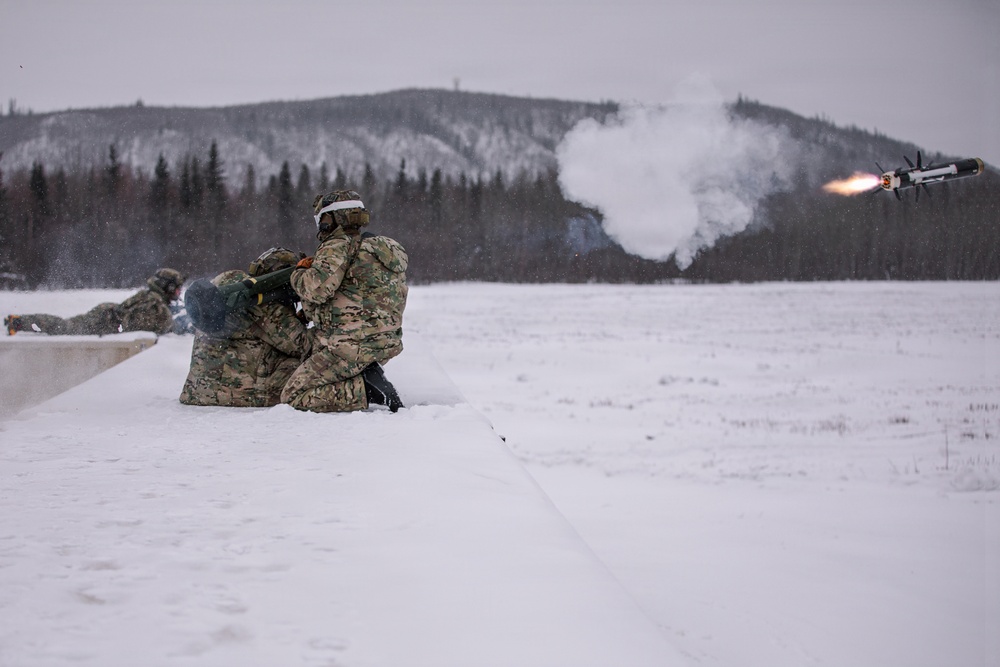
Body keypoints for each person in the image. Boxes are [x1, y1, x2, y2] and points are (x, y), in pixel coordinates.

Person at [281, 190, 407, 413]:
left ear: (329, 220)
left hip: (350, 347)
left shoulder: (337, 246)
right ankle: (365, 373)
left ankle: (366, 389)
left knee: (293, 395)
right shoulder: (379, 248)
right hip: (383, 343)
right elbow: (355, 298)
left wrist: (299, 272)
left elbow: (316, 289)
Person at [179, 248, 312, 408]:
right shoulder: (264, 306)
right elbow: (305, 346)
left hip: (197, 390)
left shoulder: (227, 291)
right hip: (237, 395)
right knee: (313, 366)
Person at [5, 268, 185, 336]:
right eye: (176, 288)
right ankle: (20, 322)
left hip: (106, 315)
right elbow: (135, 325)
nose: (178, 293)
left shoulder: (150, 297)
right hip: (104, 321)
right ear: (167, 288)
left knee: (66, 326)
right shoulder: (156, 306)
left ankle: (21, 322)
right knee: (65, 328)